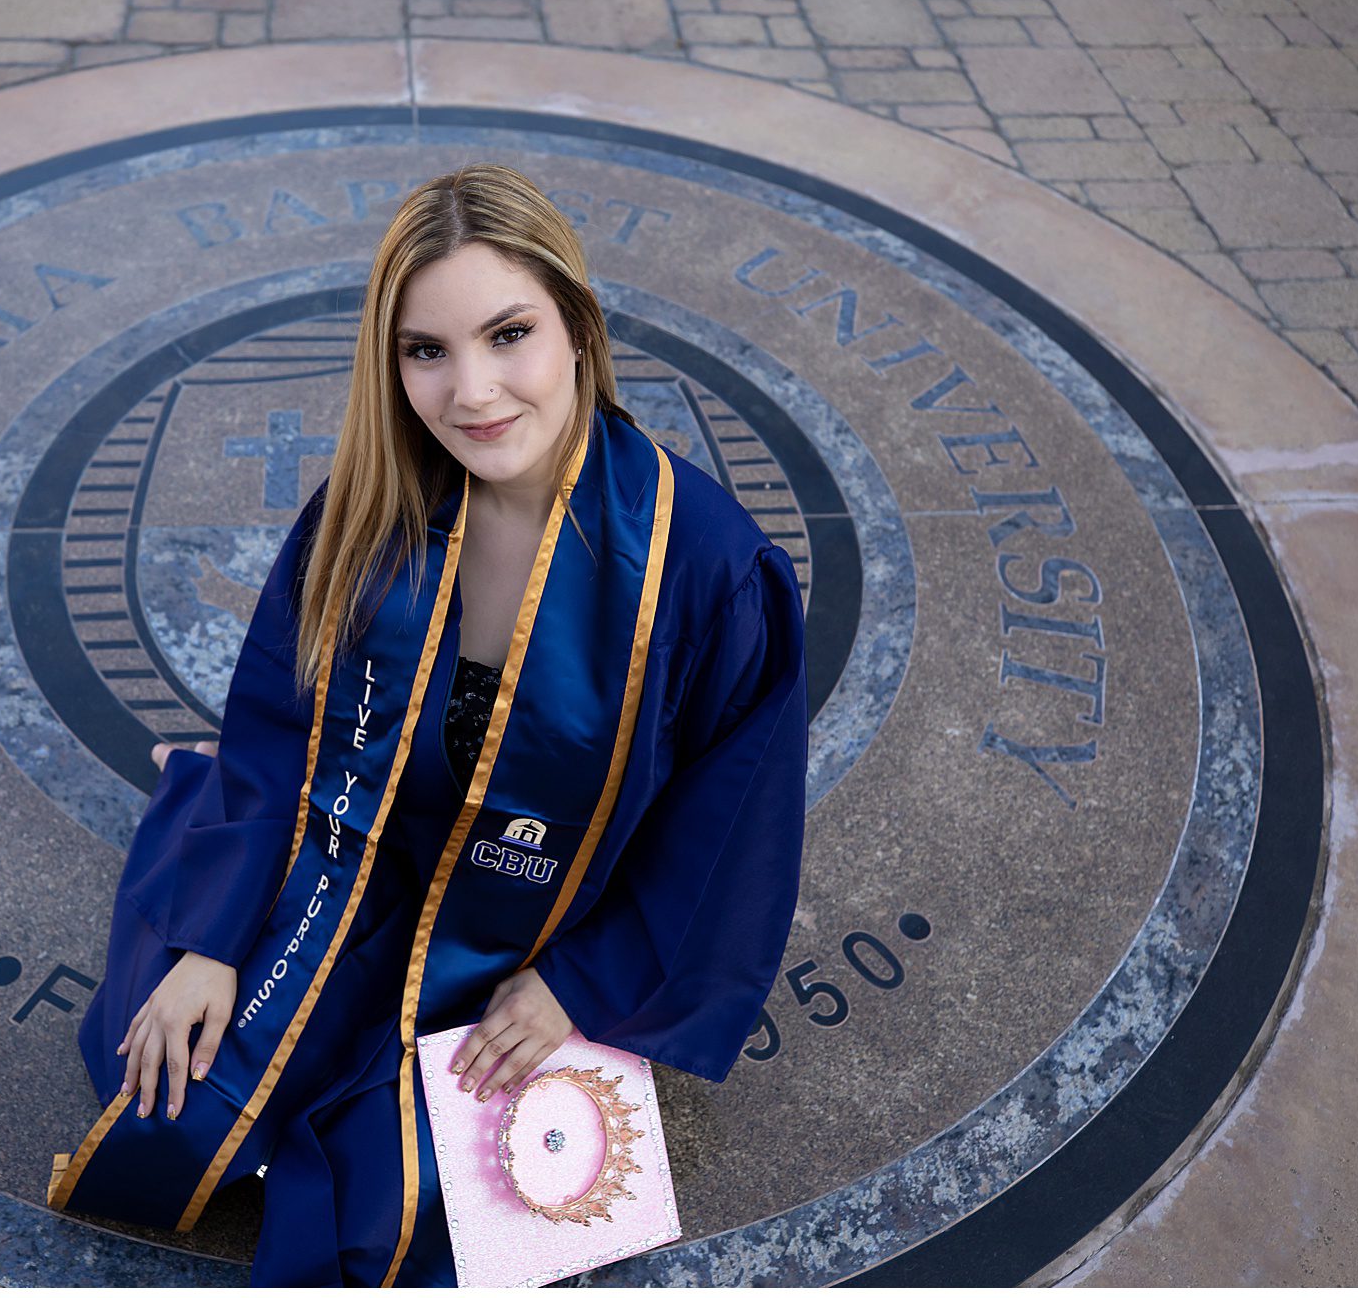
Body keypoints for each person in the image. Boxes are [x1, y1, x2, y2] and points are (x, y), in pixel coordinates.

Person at [47, 162, 809, 1287]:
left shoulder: (699, 569)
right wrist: (213, 938)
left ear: (579, 331)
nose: (473, 393)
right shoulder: (377, 506)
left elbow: (727, 829)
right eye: (426, 351)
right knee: (165, 1091)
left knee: (406, 1208)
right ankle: (198, 836)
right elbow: (276, 721)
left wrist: (579, 984)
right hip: (360, 855)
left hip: (543, 915)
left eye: (509, 334)